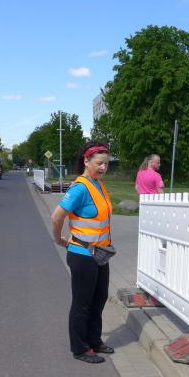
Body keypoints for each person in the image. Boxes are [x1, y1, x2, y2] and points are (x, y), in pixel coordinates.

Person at [51, 141, 115, 364]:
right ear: (86, 161)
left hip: (100, 253)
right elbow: (56, 217)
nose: (103, 167)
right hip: (82, 253)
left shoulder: (98, 185)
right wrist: (58, 238)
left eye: (106, 163)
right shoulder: (80, 187)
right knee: (82, 303)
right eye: (99, 163)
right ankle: (80, 348)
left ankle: (94, 340)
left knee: (99, 298)